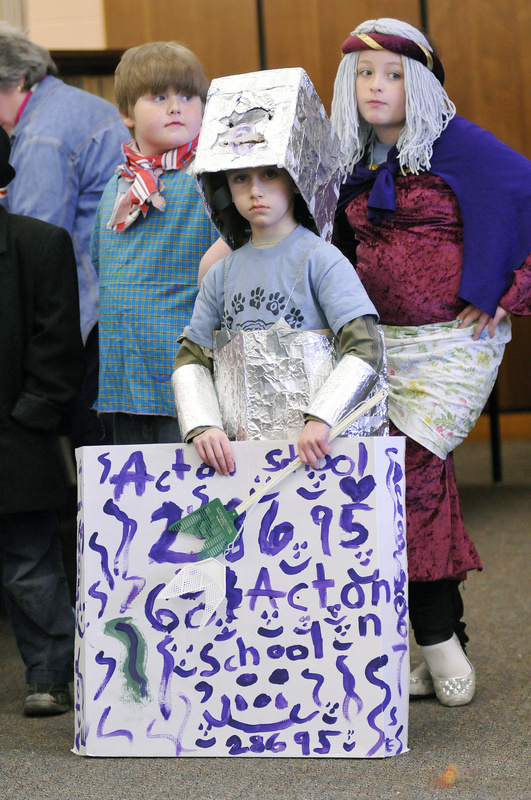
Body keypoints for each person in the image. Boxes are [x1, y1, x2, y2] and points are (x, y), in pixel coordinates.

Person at [330, 17, 531, 706]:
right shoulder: (350, 161)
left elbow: (523, 204)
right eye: (364, 73)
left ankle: (439, 639)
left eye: (391, 73)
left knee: (410, 475)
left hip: (450, 346)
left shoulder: (464, 147)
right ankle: (434, 637)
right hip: (375, 347)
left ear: (417, 84)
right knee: (386, 484)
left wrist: (510, 291)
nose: (376, 86)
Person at [171, 68, 385, 475]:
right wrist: (202, 424)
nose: (255, 190)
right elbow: (192, 357)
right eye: (240, 178)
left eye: (269, 174)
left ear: (294, 178)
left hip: (320, 452)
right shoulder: (220, 273)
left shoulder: (321, 260)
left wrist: (322, 417)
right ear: (225, 190)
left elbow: (365, 347)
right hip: (241, 457)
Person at [0, 22, 128, 448]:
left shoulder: (43, 136)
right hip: (119, 309)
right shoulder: (80, 104)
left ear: (17, 80)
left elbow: (29, 243)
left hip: (90, 321)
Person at [91, 41, 219, 445]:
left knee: (189, 499)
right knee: (132, 495)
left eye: (187, 96)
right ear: (127, 113)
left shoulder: (213, 180)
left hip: (188, 377)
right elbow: (100, 259)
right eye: (159, 97)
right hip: (123, 375)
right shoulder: (119, 183)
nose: (176, 107)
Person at [0, 126, 85, 716]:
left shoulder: (39, 243)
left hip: (14, 435)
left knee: (30, 565)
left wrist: (33, 413)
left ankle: (52, 673)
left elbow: (57, 342)